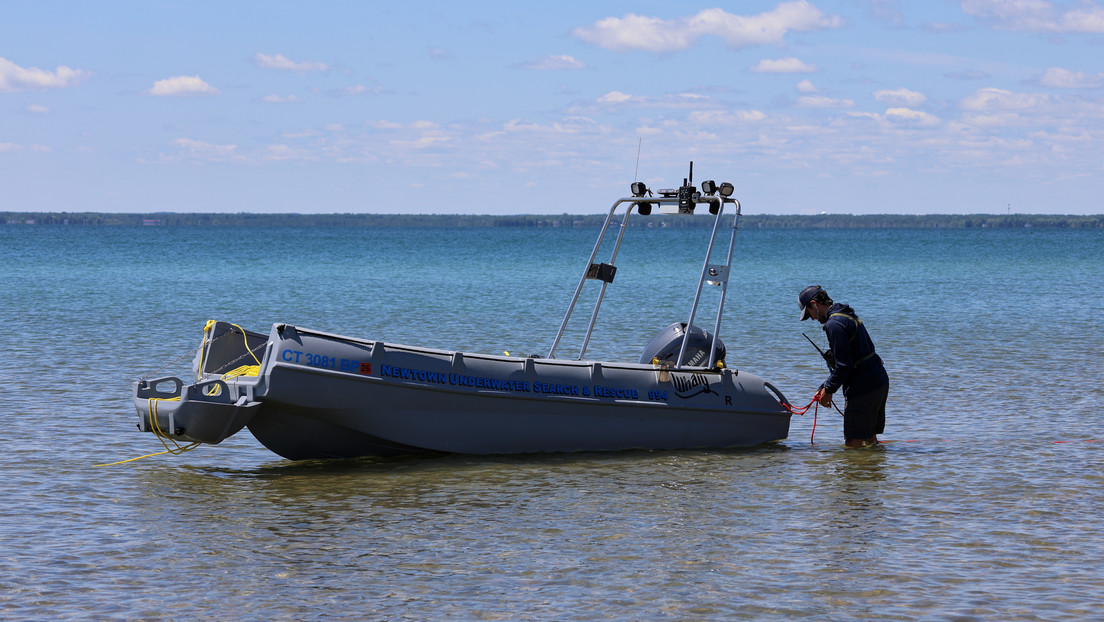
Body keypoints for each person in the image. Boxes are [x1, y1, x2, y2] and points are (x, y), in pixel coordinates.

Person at [798, 285, 889, 448]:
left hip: (864, 387)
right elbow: (848, 361)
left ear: (814, 303)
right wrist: (824, 387)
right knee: (869, 441)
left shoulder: (834, 324)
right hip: (878, 380)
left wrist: (829, 390)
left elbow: (844, 365)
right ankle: (873, 473)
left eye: (809, 313)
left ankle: (854, 473)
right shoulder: (845, 314)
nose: (811, 318)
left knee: (853, 443)